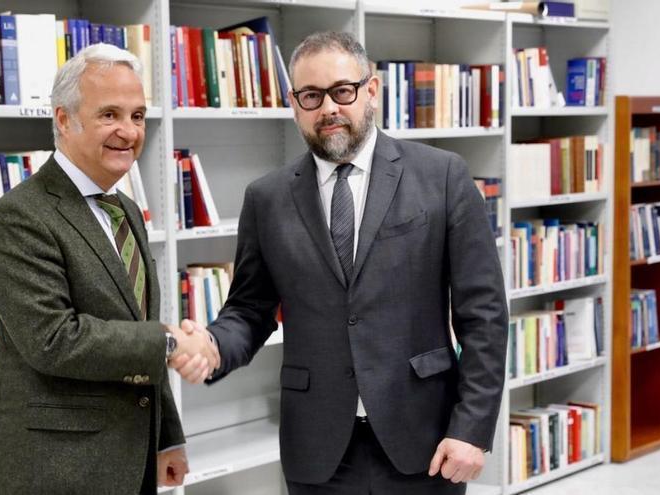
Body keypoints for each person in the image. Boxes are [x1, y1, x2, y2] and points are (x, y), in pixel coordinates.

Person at [194, 31, 508, 494]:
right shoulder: (267, 198)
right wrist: (212, 346)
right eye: (311, 96)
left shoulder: (442, 176)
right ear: (294, 103)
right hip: (317, 449)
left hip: (425, 439)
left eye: (342, 91)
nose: (329, 108)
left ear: (372, 91)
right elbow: (249, 310)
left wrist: (472, 428)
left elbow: (483, 314)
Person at [0, 44, 218, 494]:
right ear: (64, 119)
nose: (129, 131)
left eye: (138, 116)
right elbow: (55, 340)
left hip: (126, 461)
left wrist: (166, 439)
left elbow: (135, 336)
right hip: (49, 473)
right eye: (110, 115)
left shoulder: (126, 212)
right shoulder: (20, 215)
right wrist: (171, 341)